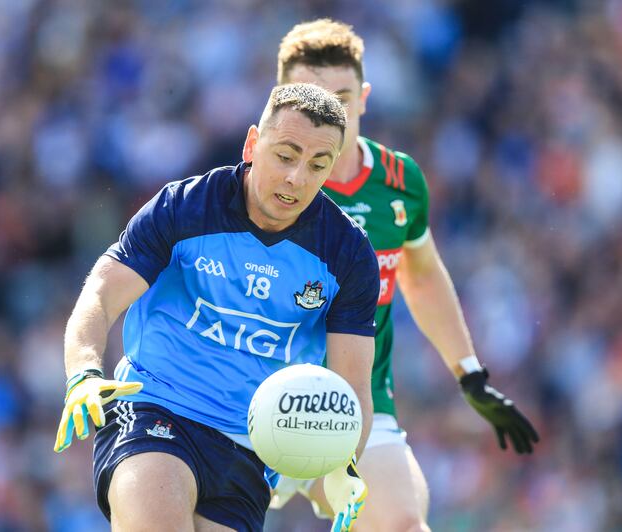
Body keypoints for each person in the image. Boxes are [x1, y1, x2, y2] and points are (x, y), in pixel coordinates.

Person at [52, 83, 379, 532]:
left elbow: (353, 385)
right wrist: (84, 374)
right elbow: (101, 296)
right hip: (155, 407)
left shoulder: (348, 255)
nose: (297, 178)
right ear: (252, 144)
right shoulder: (185, 207)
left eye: (317, 165)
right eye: (285, 156)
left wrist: (346, 464)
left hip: (252, 450)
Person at [269, 20, 540, 531]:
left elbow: (421, 274)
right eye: (312, 99)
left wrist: (469, 372)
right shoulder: (260, 189)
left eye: (343, 97)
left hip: (354, 405)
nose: (330, 113)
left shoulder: (400, 182)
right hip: (250, 393)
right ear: (280, 100)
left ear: (365, 98)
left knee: (404, 523)